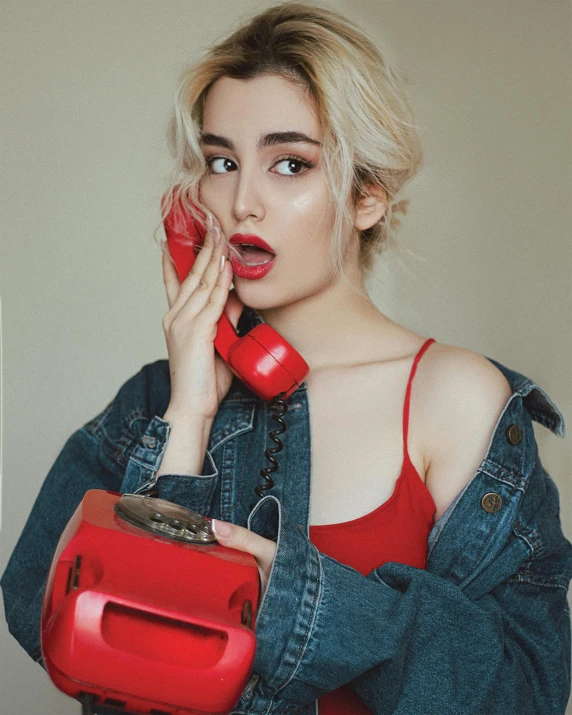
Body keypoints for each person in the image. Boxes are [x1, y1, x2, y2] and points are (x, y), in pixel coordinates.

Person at [2, 3, 571, 714]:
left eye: (290, 163)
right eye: (221, 162)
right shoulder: (156, 401)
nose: (243, 202)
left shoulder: (454, 399)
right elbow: (63, 636)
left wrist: (301, 602)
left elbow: (523, 693)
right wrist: (188, 417)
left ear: (367, 194)